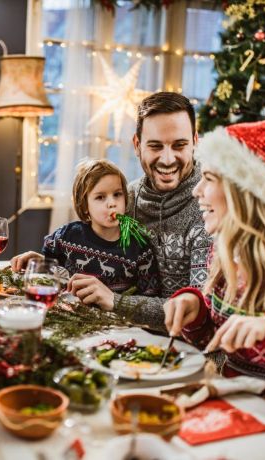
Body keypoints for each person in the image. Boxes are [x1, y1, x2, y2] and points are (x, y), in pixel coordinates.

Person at [164, 118, 265, 428]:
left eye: (208, 178)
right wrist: (195, 311)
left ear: (246, 193)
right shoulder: (227, 248)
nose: (197, 190)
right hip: (235, 416)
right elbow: (217, 341)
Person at [61, 92, 210, 329]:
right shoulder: (125, 200)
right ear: (137, 145)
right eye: (155, 146)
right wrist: (47, 265)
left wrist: (116, 302)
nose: (168, 159)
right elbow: (87, 255)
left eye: (179, 145)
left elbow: (203, 313)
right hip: (122, 340)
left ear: (195, 142)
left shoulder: (211, 208)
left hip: (193, 354)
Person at [12, 159, 160, 297]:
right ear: (85, 206)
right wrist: (39, 262)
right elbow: (53, 272)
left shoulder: (139, 248)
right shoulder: (67, 236)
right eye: (100, 197)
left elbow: (148, 295)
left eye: (117, 194)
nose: (112, 203)